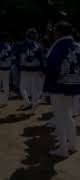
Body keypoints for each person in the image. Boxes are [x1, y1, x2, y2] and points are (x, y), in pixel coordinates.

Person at [43, 21, 79, 158]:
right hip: (74, 85)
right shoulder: (77, 45)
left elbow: (51, 68)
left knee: (59, 117)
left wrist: (47, 89)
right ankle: (73, 145)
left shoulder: (57, 46)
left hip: (59, 86)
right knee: (68, 116)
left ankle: (63, 150)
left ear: (58, 32)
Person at [18, 28, 45, 113]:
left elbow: (17, 57)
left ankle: (27, 102)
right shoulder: (38, 45)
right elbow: (41, 59)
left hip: (24, 69)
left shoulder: (21, 44)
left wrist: (18, 68)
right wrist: (43, 70)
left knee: (22, 87)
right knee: (35, 89)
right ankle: (34, 107)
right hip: (36, 69)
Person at [0, 32, 14, 106]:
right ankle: (5, 101)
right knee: (6, 84)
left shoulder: (0, 45)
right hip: (7, 67)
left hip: (1, 67)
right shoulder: (9, 46)